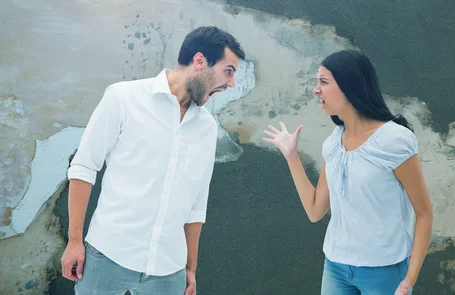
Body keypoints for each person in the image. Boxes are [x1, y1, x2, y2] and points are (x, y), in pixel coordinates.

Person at [60, 26, 245, 295]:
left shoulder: (207, 128)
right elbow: (84, 168)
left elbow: (196, 204)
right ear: (200, 61)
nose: (231, 84)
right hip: (108, 255)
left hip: (168, 271)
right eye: (228, 71)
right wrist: (74, 241)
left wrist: (190, 268)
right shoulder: (123, 98)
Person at [262, 50, 433, 295]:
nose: (315, 89)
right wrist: (291, 155)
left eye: (323, 82)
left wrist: (410, 278)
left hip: (384, 270)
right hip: (336, 268)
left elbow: (424, 213)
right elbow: (314, 210)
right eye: (316, 82)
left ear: (349, 86)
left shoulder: (395, 140)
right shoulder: (333, 142)